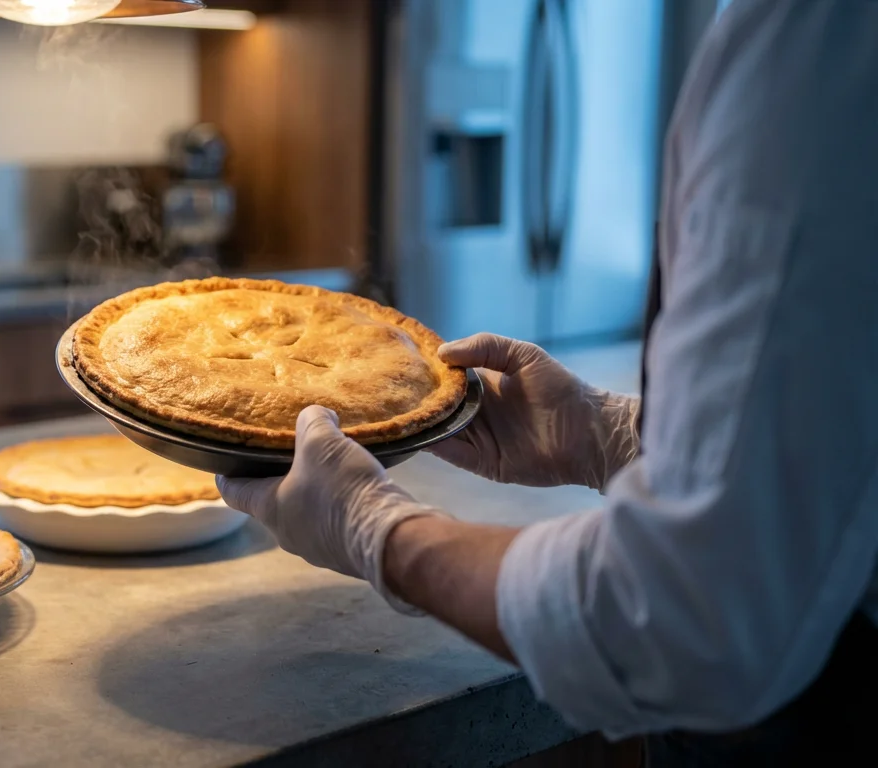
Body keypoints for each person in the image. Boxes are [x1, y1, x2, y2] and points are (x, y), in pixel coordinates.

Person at [217, 0, 878, 762]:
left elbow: (683, 621)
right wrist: (609, 436)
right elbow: (834, 454)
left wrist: (375, 530)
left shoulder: (812, 36)